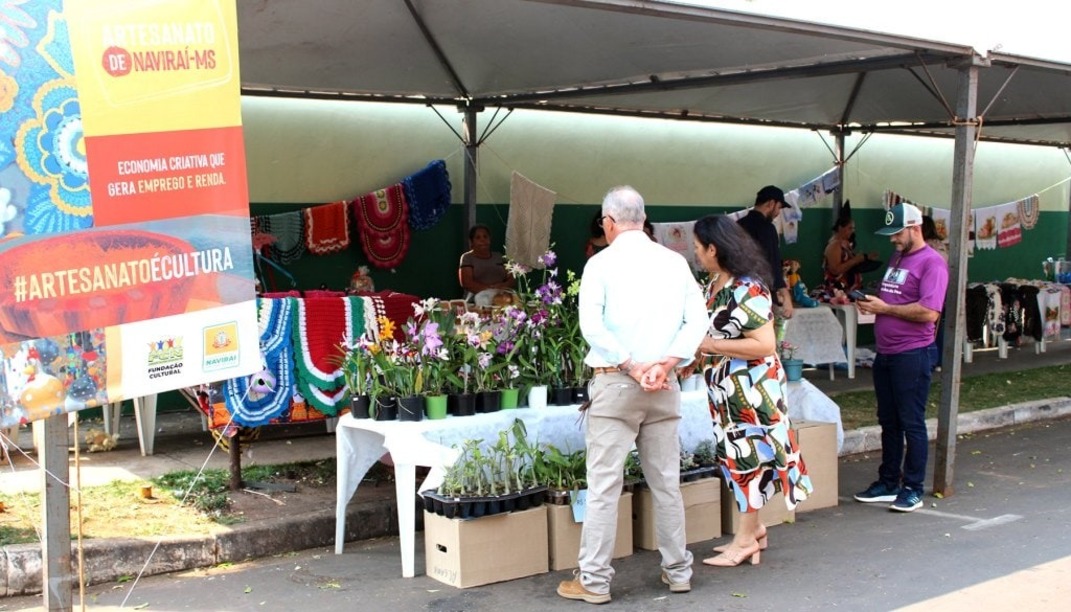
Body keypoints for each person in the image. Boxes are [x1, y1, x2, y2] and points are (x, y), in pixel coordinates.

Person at [557, 186, 707, 605]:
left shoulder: (600, 264)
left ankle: (595, 581)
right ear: (644, 219)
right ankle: (678, 571)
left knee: (604, 485)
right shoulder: (675, 262)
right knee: (666, 484)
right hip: (664, 385)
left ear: (608, 222)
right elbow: (697, 320)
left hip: (617, 384)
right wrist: (665, 364)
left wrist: (631, 365)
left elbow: (592, 327)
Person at [688, 214, 812, 568]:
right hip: (726, 390)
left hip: (751, 393)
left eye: (698, 247)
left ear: (714, 248)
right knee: (735, 457)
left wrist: (710, 345)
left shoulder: (749, 288)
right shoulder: (716, 283)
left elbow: (764, 344)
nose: (696, 253)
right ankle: (753, 530)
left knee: (749, 460)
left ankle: (744, 540)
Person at [853, 203, 949, 512]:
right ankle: (888, 481)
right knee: (888, 420)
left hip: (912, 354)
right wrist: (872, 305)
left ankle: (913, 488)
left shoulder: (933, 263)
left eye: (897, 233)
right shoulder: (898, 257)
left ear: (914, 228)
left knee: (911, 422)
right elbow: (893, 298)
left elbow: (929, 312)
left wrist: (885, 309)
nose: (892, 239)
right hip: (887, 353)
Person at [737, 185, 793, 319]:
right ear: (771, 203)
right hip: (760, 294)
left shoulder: (737, 225)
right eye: (779, 207)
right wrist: (785, 296)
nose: (778, 213)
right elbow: (772, 263)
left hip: (736, 293)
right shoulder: (767, 229)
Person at [822, 215, 878, 295]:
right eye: (850, 228)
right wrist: (856, 260)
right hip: (838, 292)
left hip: (851, 290)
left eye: (853, 228)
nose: (852, 231)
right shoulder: (834, 245)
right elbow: (835, 270)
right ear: (840, 228)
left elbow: (850, 263)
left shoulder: (845, 243)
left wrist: (866, 257)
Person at [457, 224, 514, 302]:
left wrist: (502, 288)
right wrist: (490, 290)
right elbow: (467, 283)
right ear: (471, 241)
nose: (482, 240)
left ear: (490, 239)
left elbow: (511, 278)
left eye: (485, 237)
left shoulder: (499, 257)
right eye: (478, 237)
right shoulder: (467, 258)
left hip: (502, 298)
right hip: (476, 300)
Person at [921, 215, 949, 371]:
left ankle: (933, 359)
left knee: (931, 326)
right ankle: (937, 359)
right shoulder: (941, 245)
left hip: (930, 289)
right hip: (942, 289)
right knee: (938, 325)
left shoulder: (927, 247)